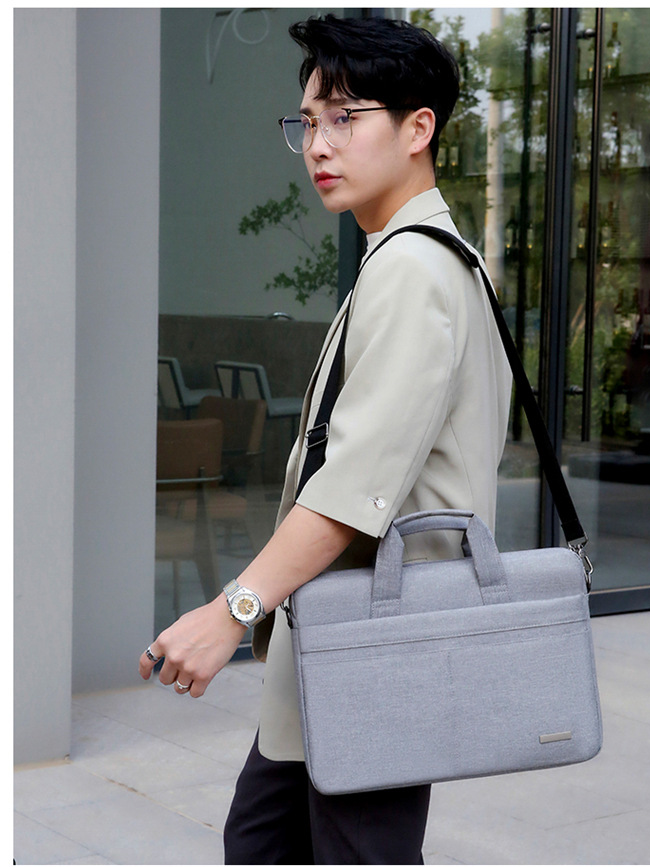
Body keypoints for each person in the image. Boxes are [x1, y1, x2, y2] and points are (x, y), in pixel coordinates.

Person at [140, 14, 512, 864]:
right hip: (344, 651)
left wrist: (232, 609)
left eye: (345, 117)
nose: (318, 145)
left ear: (419, 129)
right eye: (307, 121)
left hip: (375, 656)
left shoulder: (414, 269)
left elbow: (355, 489)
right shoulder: (409, 258)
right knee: (260, 841)